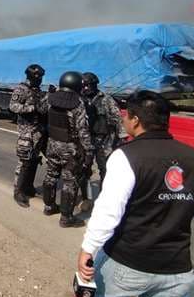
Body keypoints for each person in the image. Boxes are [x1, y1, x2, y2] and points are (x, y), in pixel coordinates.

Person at [75, 90, 194, 297]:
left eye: (126, 115)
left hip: (128, 261)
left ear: (136, 120)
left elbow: (108, 213)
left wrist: (87, 250)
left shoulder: (126, 156)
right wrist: (170, 213)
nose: (123, 119)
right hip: (176, 268)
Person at [41, 71, 93, 227]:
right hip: (70, 148)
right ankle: (66, 218)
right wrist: (89, 151)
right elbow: (83, 130)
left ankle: (49, 207)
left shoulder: (50, 98)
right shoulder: (77, 103)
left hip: (52, 144)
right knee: (70, 181)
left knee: (51, 176)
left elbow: (42, 111)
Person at [79, 72, 127, 210]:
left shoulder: (106, 100)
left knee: (105, 172)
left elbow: (118, 119)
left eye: (89, 85)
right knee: (83, 170)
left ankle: (103, 201)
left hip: (104, 141)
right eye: (84, 85)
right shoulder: (79, 99)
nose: (86, 88)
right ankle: (85, 198)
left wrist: (122, 139)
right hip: (85, 140)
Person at [9, 64, 48, 208]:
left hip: (39, 131)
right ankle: (18, 192)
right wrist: (31, 108)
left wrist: (48, 96)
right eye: (38, 78)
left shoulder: (37, 90)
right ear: (31, 76)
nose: (40, 80)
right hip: (27, 131)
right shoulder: (22, 89)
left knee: (34, 160)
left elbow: (43, 108)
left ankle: (29, 187)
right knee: (24, 162)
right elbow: (13, 106)